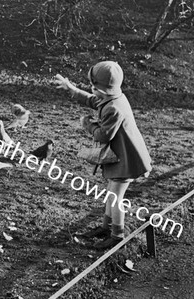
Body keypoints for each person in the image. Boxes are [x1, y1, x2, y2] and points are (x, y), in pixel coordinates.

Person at [54, 61, 152, 250]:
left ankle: (117, 235)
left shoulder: (113, 109)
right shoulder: (114, 98)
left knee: (116, 197)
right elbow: (92, 100)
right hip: (123, 155)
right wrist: (71, 88)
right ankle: (106, 228)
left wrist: (88, 125)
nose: (92, 90)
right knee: (111, 192)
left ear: (104, 90)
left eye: (94, 87)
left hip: (127, 160)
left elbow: (103, 135)